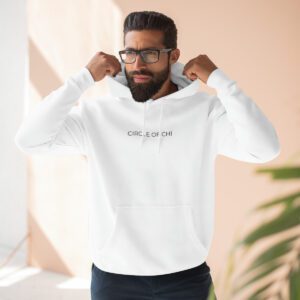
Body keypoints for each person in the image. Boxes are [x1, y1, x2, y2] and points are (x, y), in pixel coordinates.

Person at [14, 10, 280, 300]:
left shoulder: (205, 113)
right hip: (114, 278)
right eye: (130, 53)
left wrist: (221, 82)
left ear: (173, 55)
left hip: (186, 276)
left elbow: (264, 149)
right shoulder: (97, 114)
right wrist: (82, 79)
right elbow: (30, 140)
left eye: (150, 54)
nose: (137, 64)